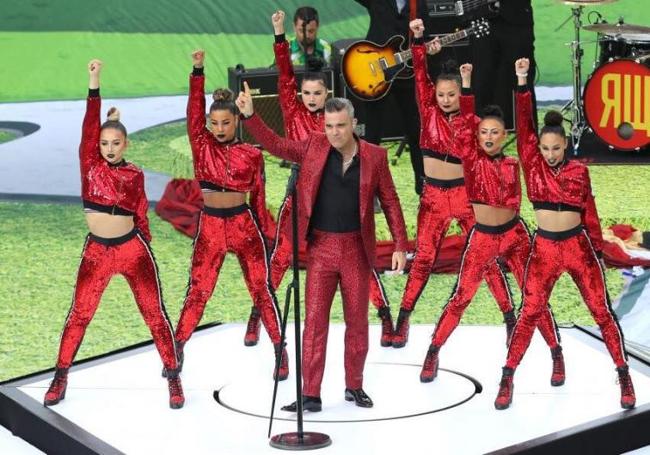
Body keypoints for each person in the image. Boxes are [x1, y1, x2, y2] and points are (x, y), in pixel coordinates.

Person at [237, 86, 408, 411]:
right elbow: (277, 145)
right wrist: (250, 117)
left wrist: (399, 243)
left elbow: (390, 200)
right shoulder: (314, 147)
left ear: (353, 123)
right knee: (314, 322)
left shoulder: (375, 156)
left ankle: (354, 386)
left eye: (340, 126)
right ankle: (311, 393)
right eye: (329, 126)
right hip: (322, 249)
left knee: (357, 322)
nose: (334, 132)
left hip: (357, 249)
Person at [243, 10, 396, 349]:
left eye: (317, 94)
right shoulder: (292, 109)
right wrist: (280, 33)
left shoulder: (333, 121)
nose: (311, 99)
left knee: (358, 259)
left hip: (335, 195)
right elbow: (284, 75)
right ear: (299, 95)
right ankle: (257, 317)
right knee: (281, 257)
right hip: (299, 193)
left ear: (327, 95)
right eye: (306, 93)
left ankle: (385, 317)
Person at [494, 58, 635, 410]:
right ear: (537, 149)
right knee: (530, 312)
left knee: (601, 312)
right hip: (543, 248)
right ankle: (508, 376)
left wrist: (599, 253)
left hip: (577, 247)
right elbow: (524, 124)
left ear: (566, 146)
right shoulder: (532, 162)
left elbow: (591, 213)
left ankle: (623, 374)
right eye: (545, 148)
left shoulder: (578, 172)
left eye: (556, 148)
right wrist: (522, 80)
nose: (551, 154)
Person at [44, 59, 184, 409]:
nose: (108, 147)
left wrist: (146, 247)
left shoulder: (134, 174)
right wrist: (94, 82)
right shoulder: (88, 162)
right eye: (104, 142)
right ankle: (60, 377)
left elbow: (140, 212)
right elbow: (90, 126)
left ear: (125, 145)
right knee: (80, 313)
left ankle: (174, 377)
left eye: (115, 143)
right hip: (97, 251)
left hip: (132, 250)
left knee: (154, 313)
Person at [418, 63, 563, 384]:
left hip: (515, 236)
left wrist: (522, 82)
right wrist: (466, 83)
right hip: (483, 237)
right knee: (461, 297)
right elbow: (468, 120)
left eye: (494, 132)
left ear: (503, 136)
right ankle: (432, 352)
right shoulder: (470, 157)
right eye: (482, 131)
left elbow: (526, 123)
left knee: (535, 297)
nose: (487, 136)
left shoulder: (516, 160)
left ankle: (556, 354)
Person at [392, 19, 516, 349]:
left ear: (461, 94)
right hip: (433, 195)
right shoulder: (427, 110)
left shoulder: (471, 120)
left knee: (486, 258)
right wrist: (417, 41)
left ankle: (509, 318)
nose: (446, 99)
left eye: (452, 94)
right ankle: (402, 320)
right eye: (441, 94)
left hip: (464, 195)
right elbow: (420, 75)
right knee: (423, 259)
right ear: (434, 95)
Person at [171, 50, 288, 382]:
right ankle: (177, 347)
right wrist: (197, 72)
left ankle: (280, 350)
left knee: (261, 288)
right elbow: (193, 112)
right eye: (214, 123)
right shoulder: (201, 143)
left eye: (225, 122)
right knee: (198, 290)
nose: (219, 128)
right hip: (209, 226)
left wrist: (266, 236)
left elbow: (260, 199)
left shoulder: (252, 154)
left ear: (236, 120)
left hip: (242, 224)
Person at [352, 0, 426, 195]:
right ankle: (368, 190)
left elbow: (425, 32)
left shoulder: (418, 3)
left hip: (405, 72)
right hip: (375, 70)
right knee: (373, 133)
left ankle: (423, 184)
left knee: (415, 129)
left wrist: (428, 46)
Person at [472, 0, 537, 130]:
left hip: (516, 20)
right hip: (481, 19)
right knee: (482, 81)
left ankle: (529, 140)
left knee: (522, 79)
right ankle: (482, 139)